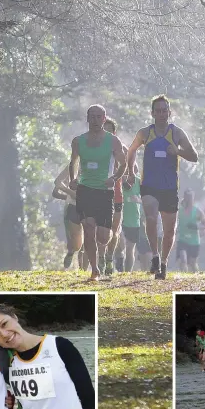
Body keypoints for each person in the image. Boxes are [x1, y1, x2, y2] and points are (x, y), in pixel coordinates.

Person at [127, 95, 198, 280]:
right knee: (150, 217)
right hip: (149, 185)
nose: (161, 113)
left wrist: (178, 151)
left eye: (164, 110)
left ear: (169, 112)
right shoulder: (145, 133)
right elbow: (131, 149)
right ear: (152, 113)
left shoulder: (176, 133)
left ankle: (164, 263)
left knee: (169, 231)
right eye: (157, 110)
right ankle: (155, 256)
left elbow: (194, 156)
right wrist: (130, 169)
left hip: (169, 187)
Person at [0, 303, 95, 409]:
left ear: (14, 317)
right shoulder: (6, 361)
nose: (4, 334)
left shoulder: (59, 346)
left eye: (4, 324)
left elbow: (88, 396)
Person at [69, 104, 127, 280]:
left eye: (98, 116)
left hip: (104, 190)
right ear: (87, 118)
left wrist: (114, 178)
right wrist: (73, 178)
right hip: (85, 189)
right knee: (88, 227)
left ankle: (107, 243)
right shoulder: (78, 141)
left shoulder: (113, 141)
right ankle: (94, 270)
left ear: (104, 118)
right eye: (91, 116)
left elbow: (123, 164)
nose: (95, 120)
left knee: (103, 237)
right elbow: (73, 162)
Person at [103, 117, 126, 275]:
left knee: (114, 229)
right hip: (99, 193)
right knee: (100, 229)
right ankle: (99, 259)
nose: (107, 133)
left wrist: (124, 175)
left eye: (110, 130)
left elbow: (133, 168)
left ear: (114, 132)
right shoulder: (94, 147)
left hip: (116, 194)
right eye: (104, 130)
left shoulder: (120, 147)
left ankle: (109, 258)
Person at [52, 166, 84, 270]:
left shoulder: (97, 165)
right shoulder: (72, 166)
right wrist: (70, 196)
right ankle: (71, 252)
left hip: (90, 207)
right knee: (77, 245)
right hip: (72, 208)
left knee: (89, 240)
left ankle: (84, 270)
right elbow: (56, 189)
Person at [176, 189, 205, 272]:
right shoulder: (179, 211)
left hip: (194, 241)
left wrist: (196, 226)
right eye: (187, 197)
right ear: (185, 198)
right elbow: (174, 223)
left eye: (191, 197)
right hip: (182, 239)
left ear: (193, 198)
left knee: (192, 263)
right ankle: (183, 278)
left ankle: (196, 276)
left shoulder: (197, 211)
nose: (189, 199)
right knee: (183, 259)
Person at [122, 170, 142, 272]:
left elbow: (147, 200)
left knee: (129, 250)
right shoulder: (119, 180)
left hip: (134, 221)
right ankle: (113, 264)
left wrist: (138, 200)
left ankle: (127, 273)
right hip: (119, 219)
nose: (131, 171)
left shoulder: (140, 182)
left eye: (134, 168)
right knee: (120, 246)